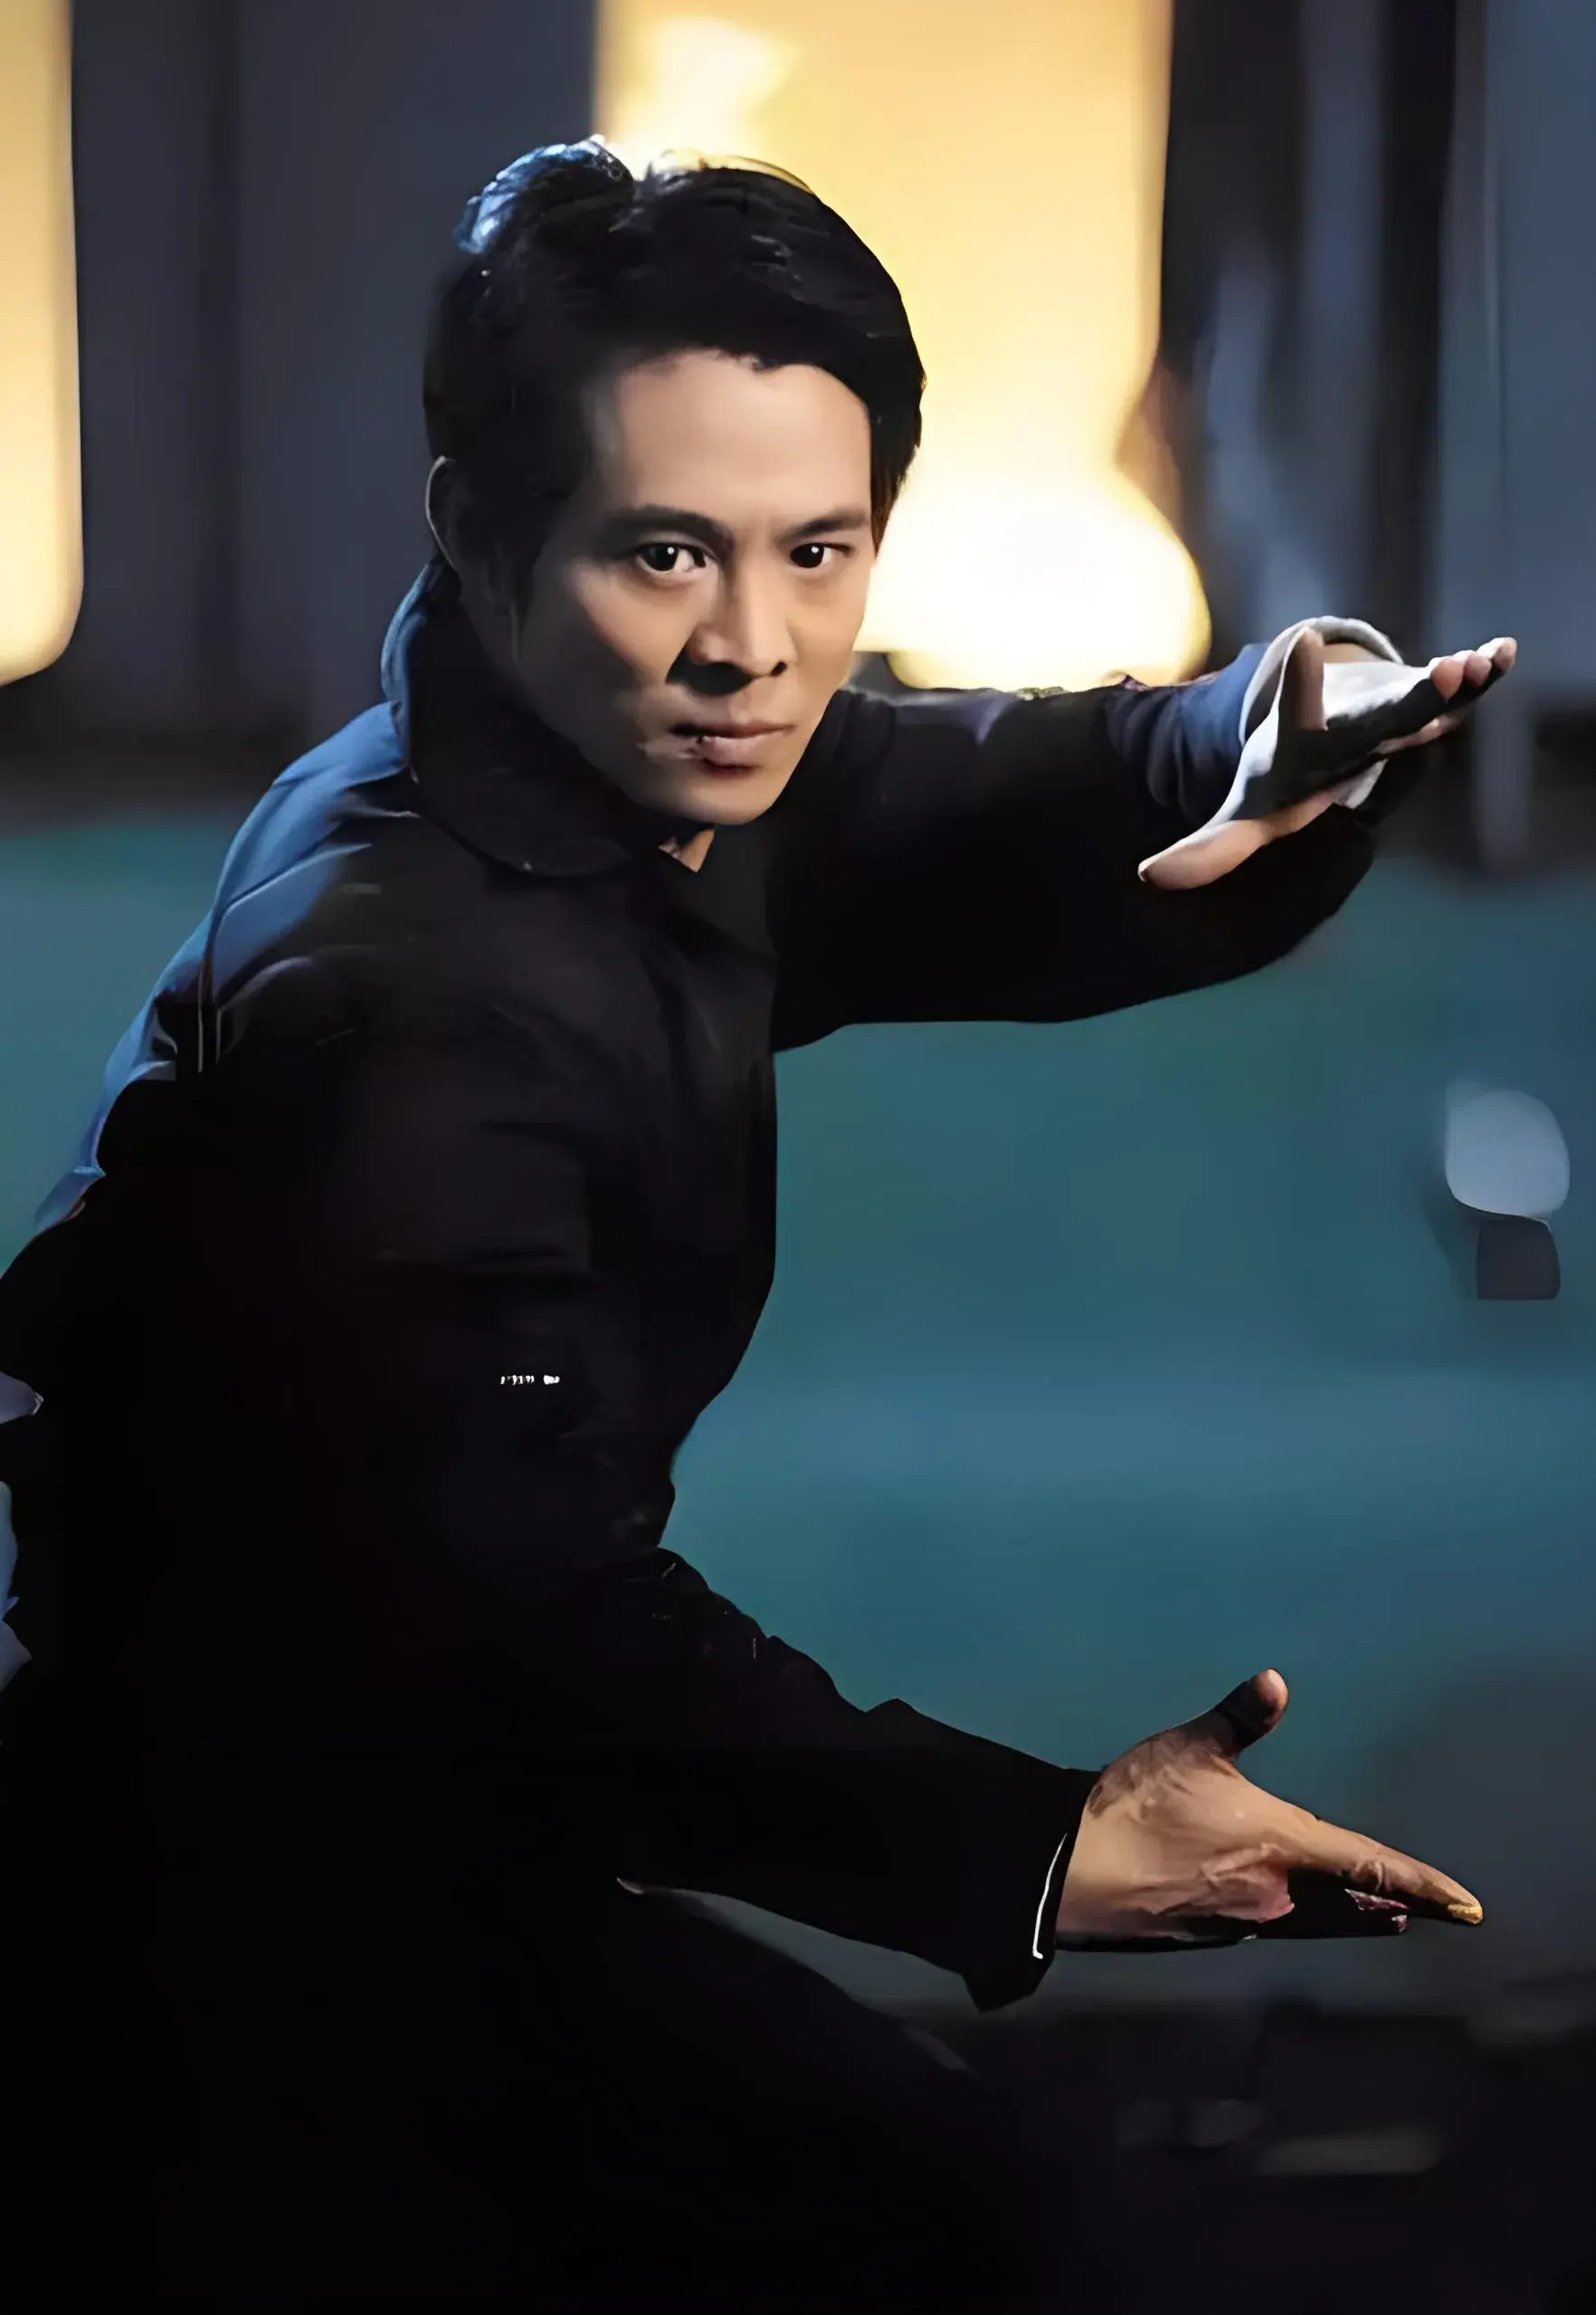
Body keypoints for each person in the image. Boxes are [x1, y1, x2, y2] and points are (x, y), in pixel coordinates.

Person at [0, 141, 1503, 2309]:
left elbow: (981, 787)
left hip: (400, 1803)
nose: (754, 647)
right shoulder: (407, 994)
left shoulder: (610, 762)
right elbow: (521, 1616)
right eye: (665, 554)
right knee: (929, 2222)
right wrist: (1037, 1846)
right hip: (226, 1880)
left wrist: (1271, 725)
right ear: (481, 533)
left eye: (821, 551)